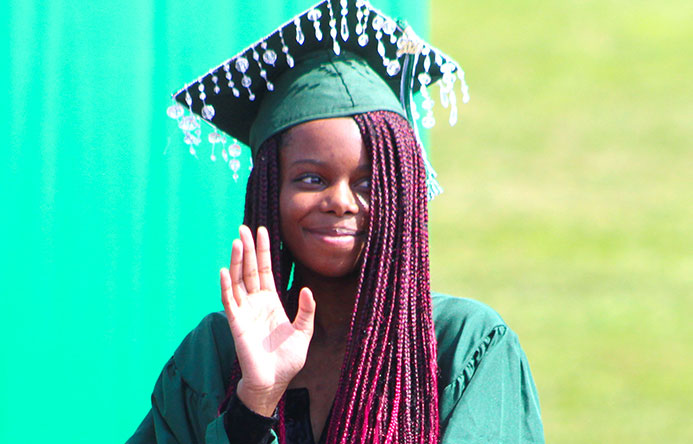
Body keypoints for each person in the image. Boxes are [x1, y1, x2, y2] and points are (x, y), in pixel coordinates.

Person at [128, 1, 544, 443]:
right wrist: (253, 405)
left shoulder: (464, 348)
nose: (340, 201)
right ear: (270, 191)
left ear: (402, 193)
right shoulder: (213, 357)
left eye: (369, 182)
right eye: (311, 178)